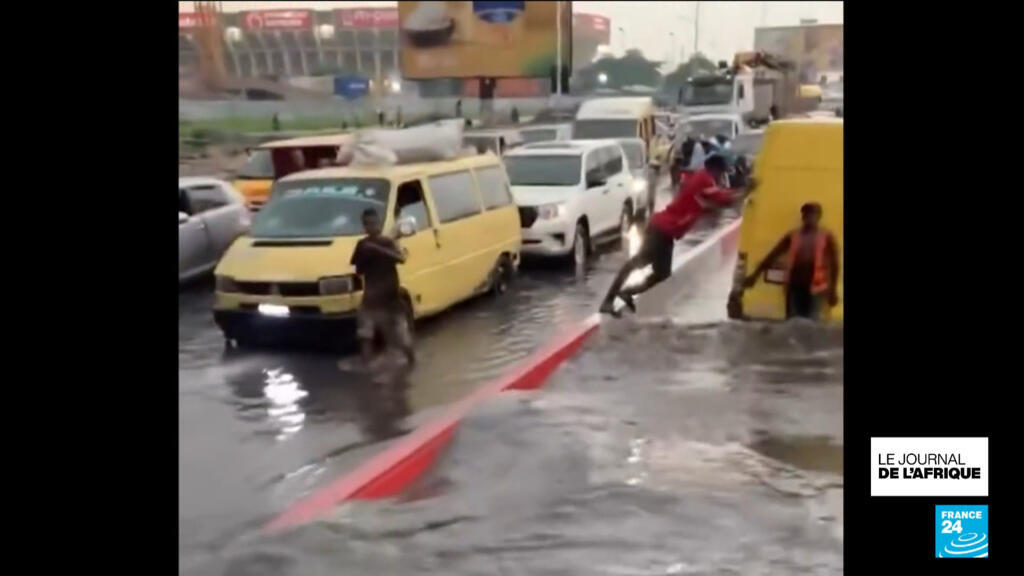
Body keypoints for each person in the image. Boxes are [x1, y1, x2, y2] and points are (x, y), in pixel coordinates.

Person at [600, 154, 741, 316]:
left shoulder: (703, 179)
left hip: (668, 232)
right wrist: (745, 191)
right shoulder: (704, 179)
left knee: (662, 273)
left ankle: (627, 292)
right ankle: (608, 301)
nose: (722, 177)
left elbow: (716, 202)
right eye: (721, 172)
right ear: (715, 169)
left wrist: (737, 194)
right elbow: (723, 198)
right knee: (637, 262)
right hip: (661, 228)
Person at [743, 202, 840, 320]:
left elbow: (835, 264)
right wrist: (755, 275)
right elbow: (773, 255)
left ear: (819, 217)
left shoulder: (826, 236)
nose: (810, 218)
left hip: (817, 287)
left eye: (813, 215)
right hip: (794, 286)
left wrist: (833, 290)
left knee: (812, 321)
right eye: (807, 215)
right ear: (803, 217)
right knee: (792, 322)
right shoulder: (793, 235)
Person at [350, 208, 415, 367]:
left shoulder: (387, 242)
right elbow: (358, 269)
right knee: (365, 336)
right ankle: (368, 370)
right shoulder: (362, 245)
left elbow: (401, 258)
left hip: (391, 299)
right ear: (364, 227)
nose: (373, 227)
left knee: (402, 338)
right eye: (369, 224)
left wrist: (376, 249)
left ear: (380, 223)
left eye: (375, 223)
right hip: (371, 299)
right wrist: (367, 256)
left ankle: (412, 363)